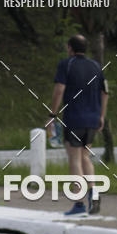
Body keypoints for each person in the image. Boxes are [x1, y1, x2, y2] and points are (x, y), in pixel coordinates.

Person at [46, 34, 108, 216]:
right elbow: (105, 92)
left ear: (69, 48)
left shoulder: (66, 64)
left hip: (74, 117)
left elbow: (59, 89)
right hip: (92, 118)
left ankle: (79, 203)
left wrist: (52, 113)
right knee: (85, 157)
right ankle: (93, 195)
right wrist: (101, 116)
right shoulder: (96, 66)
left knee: (74, 159)